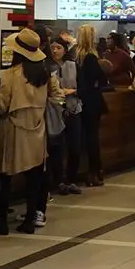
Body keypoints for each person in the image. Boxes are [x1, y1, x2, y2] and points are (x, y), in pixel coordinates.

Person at [0, 29, 64, 235]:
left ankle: (2, 222)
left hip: (13, 128)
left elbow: (1, 105)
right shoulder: (45, 74)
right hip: (37, 128)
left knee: (5, 175)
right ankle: (30, 220)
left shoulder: (8, 75)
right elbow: (58, 97)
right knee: (34, 177)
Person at [76, 25, 109, 187]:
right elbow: (102, 78)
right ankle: (95, 171)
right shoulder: (90, 57)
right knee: (92, 138)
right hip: (91, 101)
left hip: (78, 100)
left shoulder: (75, 56)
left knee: (81, 138)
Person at [50, 37, 82, 195]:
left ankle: (71, 179)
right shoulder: (47, 67)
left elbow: (82, 86)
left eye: (58, 47)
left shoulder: (73, 65)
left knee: (74, 147)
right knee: (56, 149)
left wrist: (73, 91)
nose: (55, 50)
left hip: (73, 109)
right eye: (53, 47)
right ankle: (59, 181)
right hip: (55, 112)